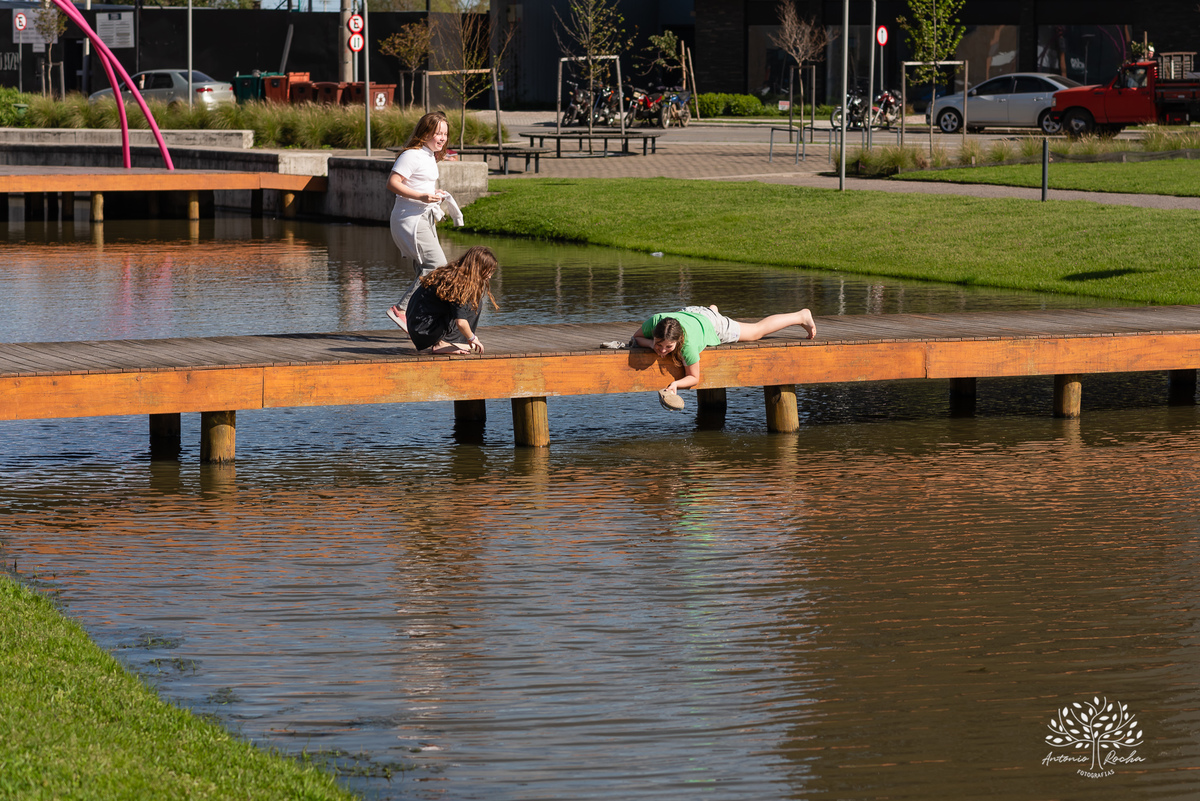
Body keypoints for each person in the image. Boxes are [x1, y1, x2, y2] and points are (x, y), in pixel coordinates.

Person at [632, 304, 816, 399]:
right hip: (690, 312)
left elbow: (694, 377)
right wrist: (650, 345)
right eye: (659, 345)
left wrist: (675, 384)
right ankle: (712, 310)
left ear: (678, 341)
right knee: (708, 313)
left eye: (668, 347)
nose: (662, 351)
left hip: (710, 324)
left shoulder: (687, 345)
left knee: (755, 332)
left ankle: (801, 315)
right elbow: (636, 337)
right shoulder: (656, 321)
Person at [385, 110, 460, 335]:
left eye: (445, 134)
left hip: (423, 217)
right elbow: (392, 183)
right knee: (436, 266)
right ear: (425, 132)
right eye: (437, 133)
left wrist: (431, 193)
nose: (442, 138)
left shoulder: (428, 155)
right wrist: (421, 197)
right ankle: (401, 309)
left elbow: (417, 184)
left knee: (424, 269)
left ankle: (414, 317)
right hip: (411, 219)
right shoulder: (413, 155)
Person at [405, 246, 499, 355]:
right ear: (478, 268)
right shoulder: (459, 284)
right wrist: (472, 338)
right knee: (471, 304)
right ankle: (443, 343)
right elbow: (461, 321)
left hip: (418, 328)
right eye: (488, 271)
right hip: (425, 331)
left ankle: (455, 341)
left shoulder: (452, 274)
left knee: (474, 301)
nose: (490, 277)